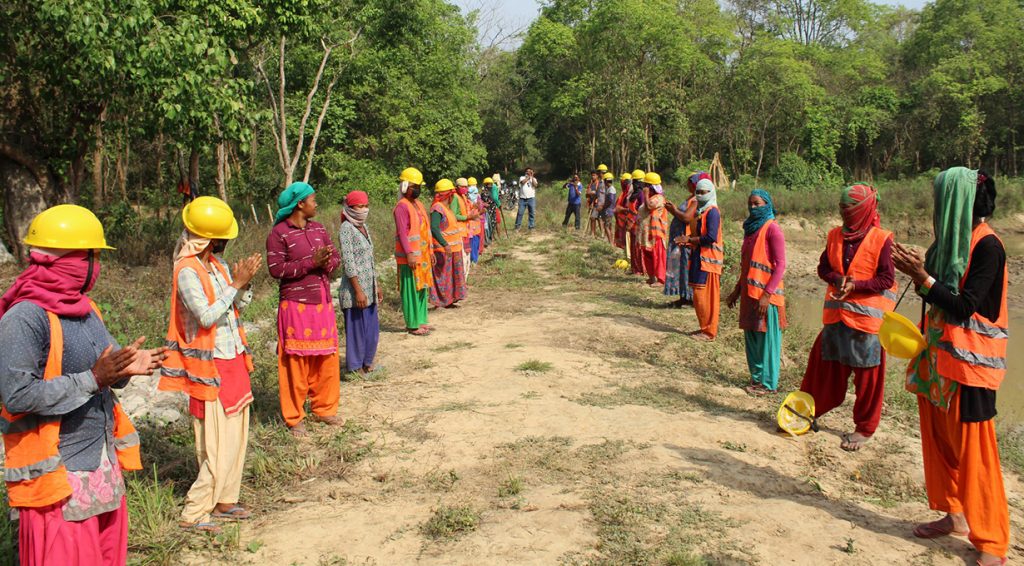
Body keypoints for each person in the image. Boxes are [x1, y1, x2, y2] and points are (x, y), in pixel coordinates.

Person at [0, 205, 163, 564]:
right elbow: (16, 395)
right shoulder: (24, 318)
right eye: (88, 256)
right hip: (58, 474)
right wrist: (93, 378)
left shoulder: (87, 310)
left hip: (100, 465)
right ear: (60, 259)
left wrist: (126, 368)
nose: (94, 266)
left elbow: (107, 368)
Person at [893, 168, 1008, 566]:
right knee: (940, 442)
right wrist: (918, 268)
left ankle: (991, 542)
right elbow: (936, 291)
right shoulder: (949, 244)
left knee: (976, 453)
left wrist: (923, 277)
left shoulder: (988, 247)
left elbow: (964, 305)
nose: (936, 207)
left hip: (971, 367)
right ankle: (954, 513)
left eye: (942, 199)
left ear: (958, 203)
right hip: (938, 359)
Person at [161, 196, 261, 532]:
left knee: (236, 435)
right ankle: (195, 510)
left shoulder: (216, 265)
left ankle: (225, 500)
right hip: (210, 364)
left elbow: (235, 308)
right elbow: (205, 316)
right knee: (216, 443)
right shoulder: (186, 270)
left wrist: (243, 283)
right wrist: (236, 284)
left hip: (232, 357)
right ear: (212, 238)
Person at [799, 184, 896, 451]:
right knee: (823, 368)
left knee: (868, 379)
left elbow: (887, 278)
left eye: (849, 209)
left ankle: (864, 429)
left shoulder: (882, 238)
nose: (844, 213)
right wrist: (837, 279)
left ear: (864, 209)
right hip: (836, 317)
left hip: (867, 324)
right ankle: (809, 410)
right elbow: (824, 268)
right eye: (841, 208)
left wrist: (856, 285)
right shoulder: (834, 235)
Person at [266, 182, 342, 438]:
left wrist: (328, 262)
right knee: (296, 362)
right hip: (296, 306)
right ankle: (294, 416)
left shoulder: (318, 228)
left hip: (322, 302)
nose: (316, 204)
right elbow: (276, 269)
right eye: (313, 199)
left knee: (326, 358)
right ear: (300, 204)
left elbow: (335, 258)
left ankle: (325, 408)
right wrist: (311, 263)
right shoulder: (279, 233)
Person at [726, 189, 787, 395]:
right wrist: (736, 291)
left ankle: (769, 385)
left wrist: (767, 295)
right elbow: (748, 266)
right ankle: (756, 379)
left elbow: (780, 265)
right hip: (750, 294)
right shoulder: (750, 230)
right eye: (750, 204)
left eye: (757, 204)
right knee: (752, 336)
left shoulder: (773, 229)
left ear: (767, 205)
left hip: (766, 296)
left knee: (768, 340)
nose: (753, 207)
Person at [337, 190, 382, 376]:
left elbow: (369, 259)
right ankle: (356, 368)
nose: (363, 210)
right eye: (359, 206)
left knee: (371, 329)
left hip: (369, 287)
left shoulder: (363, 227)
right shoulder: (346, 229)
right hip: (355, 291)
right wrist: (358, 291)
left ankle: (367, 363)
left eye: (365, 206)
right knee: (357, 329)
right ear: (350, 207)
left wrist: (376, 285)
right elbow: (349, 262)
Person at [393, 167, 434, 336]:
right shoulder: (401, 207)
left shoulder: (417, 204)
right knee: (410, 289)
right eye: (414, 186)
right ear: (405, 186)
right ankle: (412, 323)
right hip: (410, 256)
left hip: (422, 254)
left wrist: (430, 251)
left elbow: (425, 229)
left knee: (422, 287)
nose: (417, 190)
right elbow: (402, 232)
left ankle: (421, 319)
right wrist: (409, 253)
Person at [688, 178, 723, 340]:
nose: (701, 195)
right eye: (699, 192)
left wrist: (689, 240)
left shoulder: (712, 212)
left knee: (706, 296)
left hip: (709, 260)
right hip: (699, 256)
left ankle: (709, 331)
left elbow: (710, 237)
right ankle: (703, 327)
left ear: (711, 193)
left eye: (704, 192)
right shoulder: (702, 211)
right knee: (697, 293)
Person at [663, 173, 700, 307]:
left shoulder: (696, 200)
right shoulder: (691, 198)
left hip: (686, 239)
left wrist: (673, 210)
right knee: (680, 268)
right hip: (680, 240)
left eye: (690, 182)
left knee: (685, 268)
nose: (687, 184)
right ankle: (683, 297)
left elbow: (686, 218)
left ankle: (689, 298)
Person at [430, 179, 468, 308]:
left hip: (453, 248)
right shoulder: (437, 209)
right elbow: (434, 228)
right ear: (450, 195)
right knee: (444, 277)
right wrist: (444, 244)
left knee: (452, 276)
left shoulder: (446, 208)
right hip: (444, 249)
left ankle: (450, 300)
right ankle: (441, 301)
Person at [637, 172, 668, 285]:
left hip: (656, 233)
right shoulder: (651, 197)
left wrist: (645, 194)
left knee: (657, 256)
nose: (644, 188)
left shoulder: (658, 198)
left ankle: (660, 279)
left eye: (646, 186)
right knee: (648, 255)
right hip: (646, 233)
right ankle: (651, 277)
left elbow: (649, 207)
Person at [451, 178, 476, 278]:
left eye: (466, 187)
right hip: (459, 233)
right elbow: (453, 215)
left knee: (466, 258)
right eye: (463, 187)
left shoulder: (463, 197)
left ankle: (463, 281)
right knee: (462, 258)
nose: (465, 189)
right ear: (457, 187)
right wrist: (467, 217)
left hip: (466, 231)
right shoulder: (455, 198)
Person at [629, 169, 647, 275]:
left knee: (639, 246)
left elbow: (642, 210)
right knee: (633, 246)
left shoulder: (641, 194)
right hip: (631, 223)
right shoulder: (634, 194)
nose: (635, 184)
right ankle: (634, 268)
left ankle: (641, 269)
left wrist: (634, 221)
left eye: (636, 182)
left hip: (638, 223)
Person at [614, 172, 634, 250]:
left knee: (628, 244)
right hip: (621, 223)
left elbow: (632, 209)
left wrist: (621, 209)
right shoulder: (624, 192)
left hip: (627, 223)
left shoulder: (631, 193)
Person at [467, 182, 486, 263]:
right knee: (472, 245)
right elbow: (470, 215)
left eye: (476, 193)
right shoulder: (468, 203)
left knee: (476, 243)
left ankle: (475, 259)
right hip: (471, 229)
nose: (475, 195)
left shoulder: (476, 201)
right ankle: (473, 260)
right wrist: (480, 212)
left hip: (477, 228)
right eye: (473, 193)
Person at [601, 173, 617, 244]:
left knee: (606, 226)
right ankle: (611, 241)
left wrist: (604, 206)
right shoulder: (610, 189)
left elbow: (610, 200)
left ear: (606, 181)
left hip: (609, 211)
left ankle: (611, 242)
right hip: (609, 210)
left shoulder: (611, 189)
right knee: (609, 226)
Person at [587, 171, 603, 238]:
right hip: (591, 203)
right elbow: (587, 192)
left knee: (597, 218)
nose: (593, 176)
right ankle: (593, 233)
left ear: (597, 176)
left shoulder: (599, 183)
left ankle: (602, 233)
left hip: (597, 203)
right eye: (592, 175)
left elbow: (598, 193)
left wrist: (592, 193)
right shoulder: (591, 184)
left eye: (594, 175)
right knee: (593, 218)